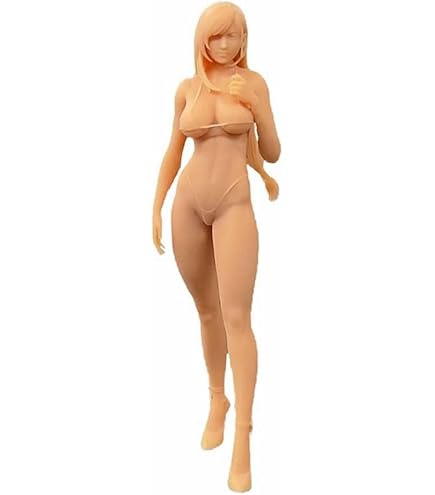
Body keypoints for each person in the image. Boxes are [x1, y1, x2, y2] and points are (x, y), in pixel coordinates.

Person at [152, 2, 280, 491]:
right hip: (187, 204)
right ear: (203, 39)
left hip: (233, 205)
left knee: (237, 317)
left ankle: (244, 435)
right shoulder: (187, 89)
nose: (227, 45)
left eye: (236, 35)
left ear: (245, 38)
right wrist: (156, 203)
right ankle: (216, 399)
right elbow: (173, 149)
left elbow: (272, 152)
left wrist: (258, 108)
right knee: (207, 312)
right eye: (218, 36)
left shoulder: (254, 83)